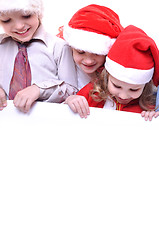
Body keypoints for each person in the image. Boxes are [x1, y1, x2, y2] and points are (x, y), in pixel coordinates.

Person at [65, 25, 159, 121]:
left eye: (133, 90)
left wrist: (151, 118)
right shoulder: (93, 92)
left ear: (145, 86)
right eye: (117, 86)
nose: (123, 96)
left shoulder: (147, 107)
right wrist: (71, 100)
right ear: (106, 76)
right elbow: (66, 114)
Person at [0, 0, 77, 112]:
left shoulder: (59, 46)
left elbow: (72, 89)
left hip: (45, 118)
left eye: (26, 16)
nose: (19, 26)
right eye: (6, 20)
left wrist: (39, 89)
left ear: (38, 13)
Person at [58, 4, 123, 90]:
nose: (88, 61)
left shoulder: (115, 75)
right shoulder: (61, 62)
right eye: (80, 52)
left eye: (97, 53)